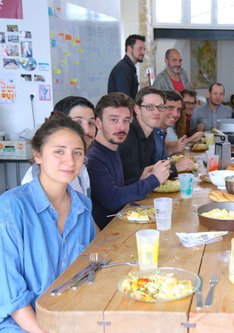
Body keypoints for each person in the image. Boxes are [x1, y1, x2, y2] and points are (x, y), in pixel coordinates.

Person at [0, 115, 96, 331]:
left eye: (77, 153)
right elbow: (13, 299)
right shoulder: (10, 208)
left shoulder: (82, 206)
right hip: (21, 325)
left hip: (69, 318)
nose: (70, 161)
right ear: (38, 155)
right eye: (59, 151)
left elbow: (86, 271)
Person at [86, 92, 170, 229]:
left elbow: (116, 188)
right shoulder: (94, 158)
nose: (121, 127)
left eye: (126, 120)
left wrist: (141, 178)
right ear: (98, 123)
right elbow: (113, 199)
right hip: (107, 235)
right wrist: (153, 180)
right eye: (114, 120)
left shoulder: (113, 149)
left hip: (122, 224)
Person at [21, 96, 96, 197]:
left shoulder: (81, 165)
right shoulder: (34, 181)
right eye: (78, 123)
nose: (87, 130)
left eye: (91, 123)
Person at [118, 87, 178, 184]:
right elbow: (131, 178)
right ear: (137, 109)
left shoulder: (151, 135)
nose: (157, 112)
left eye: (160, 107)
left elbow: (152, 171)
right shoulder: (127, 136)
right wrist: (175, 168)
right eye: (150, 107)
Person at [153, 91, 198, 169]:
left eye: (178, 110)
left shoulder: (162, 131)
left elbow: (160, 157)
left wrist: (174, 149)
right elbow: (149, 171)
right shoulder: (151, 131)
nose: (176, 114)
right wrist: (176, 168)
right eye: (170, 108)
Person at [107, 34, 145, 99]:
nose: (143, 52)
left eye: (144, 49)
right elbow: (124, 100)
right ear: (129, 48)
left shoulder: (128, 68)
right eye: (140, 49)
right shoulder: (123, 69)